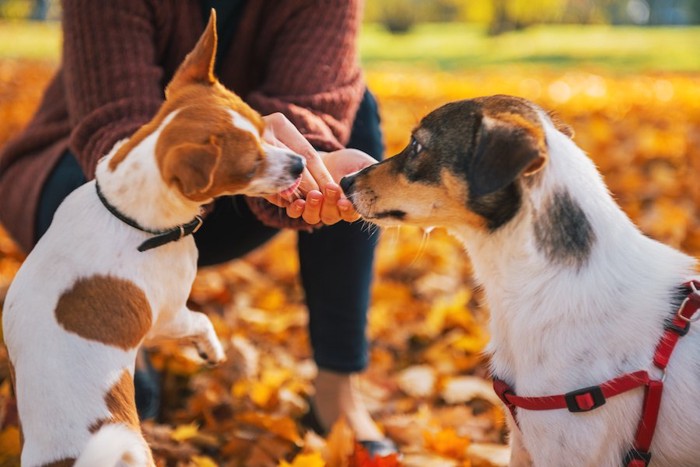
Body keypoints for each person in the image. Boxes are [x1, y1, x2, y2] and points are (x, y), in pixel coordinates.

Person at [0, 0, 397, 457]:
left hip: (227, 181)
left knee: (358, 113)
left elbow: (314, 99)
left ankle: (336, 392)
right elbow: (115, 120)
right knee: (99, 184)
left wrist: (315, 168)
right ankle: (120, 333)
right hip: (91, 174)